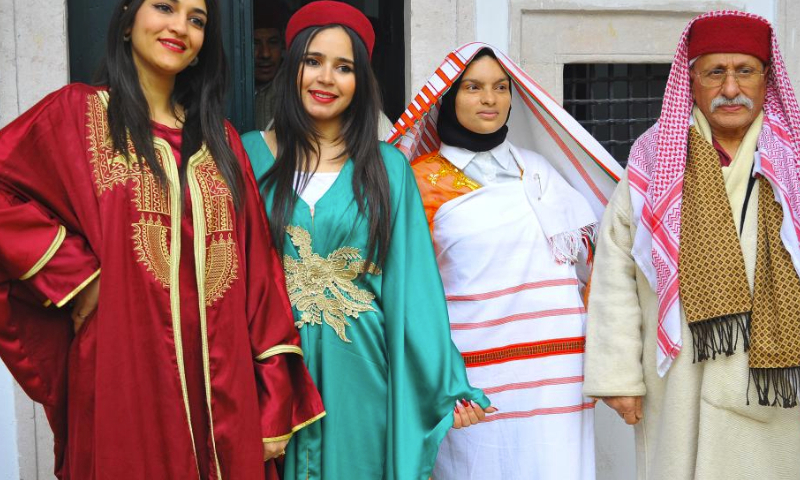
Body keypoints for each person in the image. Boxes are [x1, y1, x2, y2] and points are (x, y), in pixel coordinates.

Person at [0, 0, 324, 478]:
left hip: (224, 393)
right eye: (165, 7)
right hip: (123, 373)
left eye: (197, 19)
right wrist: (76, 276)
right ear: (128, 22)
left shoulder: (223, 141)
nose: (181, 27)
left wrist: (274, 395)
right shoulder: (78, 114)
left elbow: (260, 275)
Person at [241, 2, 494, 479]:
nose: (325, 78)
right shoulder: (247, 156)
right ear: (293, 66)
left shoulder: (387, 168)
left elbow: (413, 286)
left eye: (344, 67)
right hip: (271, 372)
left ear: (361, 82)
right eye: (313, 61)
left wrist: (448, 384)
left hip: (361, 370)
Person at [584, 10, 800, 479]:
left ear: (767, 80)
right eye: (714, 73)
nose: (729, 89)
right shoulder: (652, 159)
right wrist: (618, 375)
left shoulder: (795, 159)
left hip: (777, 385)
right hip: (678, 380)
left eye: (744, 71)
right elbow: (616, 273)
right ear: (692, 80)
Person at [390, 43, 622, 480]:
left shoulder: (539, 171)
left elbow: (596, 261)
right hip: (472, 383)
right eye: (474, 87)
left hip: (559, 378)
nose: (490, 99)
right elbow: (407, 292)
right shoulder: (419, 179)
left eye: (500, 87)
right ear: (449, 97)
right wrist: (438, 381)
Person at [253, 0, 289, 130]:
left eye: (273, 42)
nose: (265, 54)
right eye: (255, 43)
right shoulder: (226, 93)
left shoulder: (295, 89)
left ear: (283, 44)